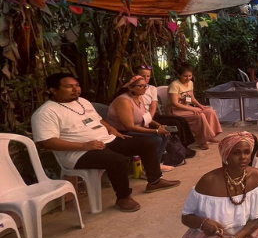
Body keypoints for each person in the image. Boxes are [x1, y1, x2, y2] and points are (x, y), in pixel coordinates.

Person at [32, 73, 180, 212]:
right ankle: (123, 197)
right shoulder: (46, 112)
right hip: (79, 153)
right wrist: (84, 145)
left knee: (148, 144)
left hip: (107, 140)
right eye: (69, 86)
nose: (76, 89)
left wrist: (112, 129)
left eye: (77, 85)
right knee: (116, 160)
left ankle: (154, 181)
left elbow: (98, 120)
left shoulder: (82, 102)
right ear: (53, 90)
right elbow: (47, 142)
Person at [107, 75, 173, 171]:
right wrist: (156, 131)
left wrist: (159, 126)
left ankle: (156, 164)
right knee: (156, 139)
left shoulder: (139, 97)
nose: (144, 88)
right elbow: (129, 126)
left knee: (165, 134)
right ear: (130, 88)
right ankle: (149, 167)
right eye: (141, 86)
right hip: (123, 132)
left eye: (145, 86)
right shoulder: (124, 101)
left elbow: (145, 116)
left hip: (138, 128)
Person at [135, 65, 196, 157]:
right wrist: (149, 120)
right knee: (174, 123)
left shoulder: (152, 88)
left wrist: (151, 117)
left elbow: (153, 106)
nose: (146, 78)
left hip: (152, 115)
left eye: (148, 76)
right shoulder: (134, 89)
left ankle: (183, 146)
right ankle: (178, 148)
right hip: (143, 117)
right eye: (143, 76)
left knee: (181, 120)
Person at [166, 64, 222, 150]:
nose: (188, 78)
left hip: (186, 108)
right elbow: (175, 103)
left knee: (210, 111)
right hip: (175, 110)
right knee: (199, 115)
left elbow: (191, 98)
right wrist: (192, 109)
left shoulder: (190, 83)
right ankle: (202, 141)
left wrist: (200, 106)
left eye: (190, 76)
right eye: (185, 76)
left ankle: (210, 135)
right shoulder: (174, 85)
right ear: (179, 75)